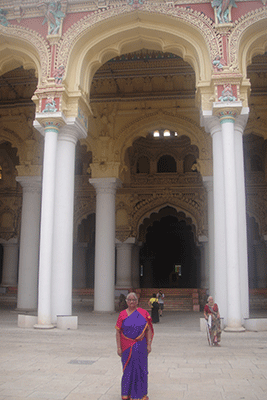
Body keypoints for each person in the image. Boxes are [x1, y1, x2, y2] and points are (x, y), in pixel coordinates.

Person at [116, 292, 154, 400]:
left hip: (141, 346)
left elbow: (148, 329)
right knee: (127, 370)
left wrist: (149, 344)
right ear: (126, 301)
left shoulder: (143, 313)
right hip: (126, 346)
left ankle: (141, 394)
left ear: (137, 301)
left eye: (134, 300)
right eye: (129, 300)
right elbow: (118, 332)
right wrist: (119, 347)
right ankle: (126, 394)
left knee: (141, 370)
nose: (132, 302)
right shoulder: (122, 314)